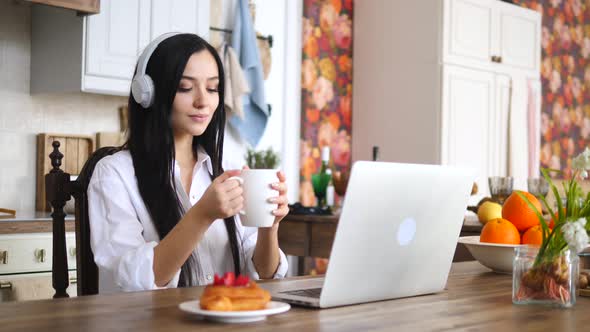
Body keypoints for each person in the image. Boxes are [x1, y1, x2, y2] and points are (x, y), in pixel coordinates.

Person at [87, 33, 289, 293]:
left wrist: (269, 228)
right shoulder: (114, 173)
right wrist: (202, 215)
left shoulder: (228, 168)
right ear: (148, 93)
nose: (203, 101)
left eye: (213, 88)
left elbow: (265, 274)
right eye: (185, 87)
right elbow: (132, 280)